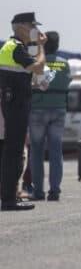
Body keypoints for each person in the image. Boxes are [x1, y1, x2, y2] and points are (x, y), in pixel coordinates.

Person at [0, 12, 47, 211]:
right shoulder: (15, 48)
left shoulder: (16, 48)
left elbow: (36, 79)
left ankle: (10, 196)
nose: (35, 31)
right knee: (14, 153)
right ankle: (9, 199)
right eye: (32, 27)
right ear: (20, 27)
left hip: (14, 105)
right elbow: (38, 68)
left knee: (14, 152)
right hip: (15, 107)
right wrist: (42, 46)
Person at [28, 31, 72, 201]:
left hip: (38, 109)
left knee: (37, 151)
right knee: (56, 151)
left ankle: (38, 192)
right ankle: (54, 191)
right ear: (58, 45)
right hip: (58, 109)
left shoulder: (37, 63)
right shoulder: (64, 64)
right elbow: (67, 83)